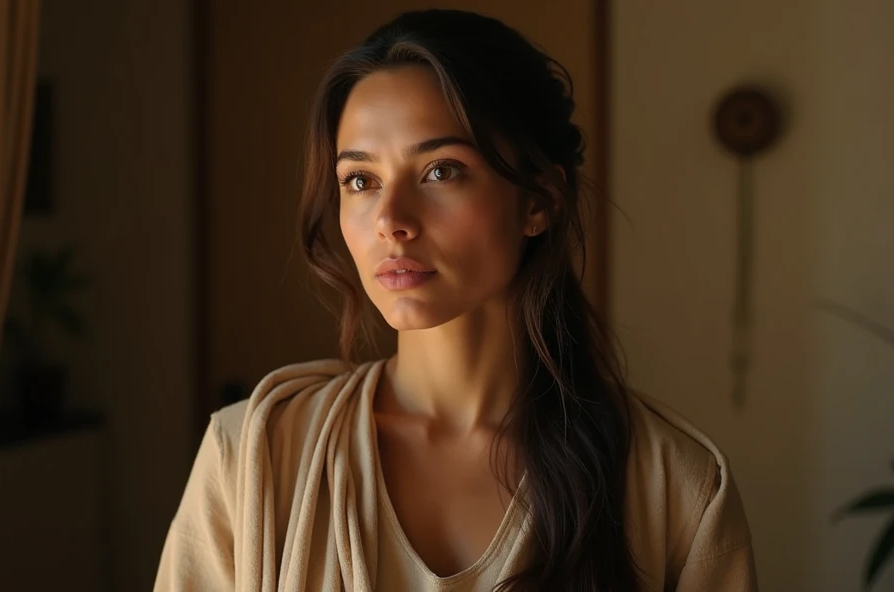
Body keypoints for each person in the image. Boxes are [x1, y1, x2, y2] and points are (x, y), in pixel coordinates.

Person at [154, 9, 757, 591]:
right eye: (360, 180)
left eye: (441, 171)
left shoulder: (674, 488)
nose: (390, 220)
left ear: (540, 201)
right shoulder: (253, 459)